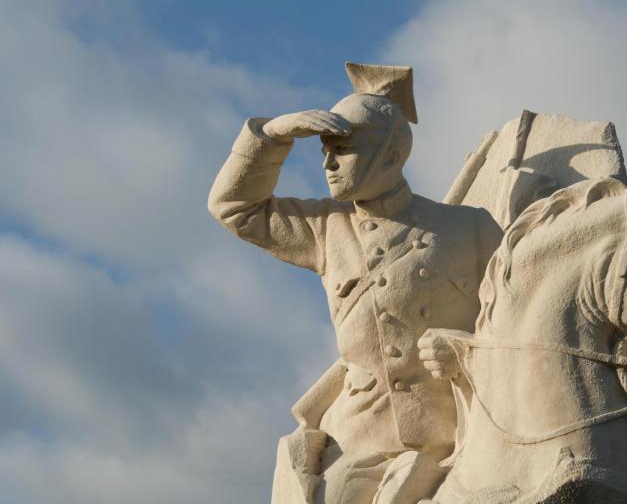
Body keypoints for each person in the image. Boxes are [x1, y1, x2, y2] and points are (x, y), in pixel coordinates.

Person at [208, 63, 502, 503]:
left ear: (391, 152)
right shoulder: (327, 227)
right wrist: (273, 136)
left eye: (343, 148)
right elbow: (234, 208)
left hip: (456, 430)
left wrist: (463, 348)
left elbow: (515, 319)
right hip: (363, 443)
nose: (328, 162)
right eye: (325, 149)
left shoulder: (471, 228)